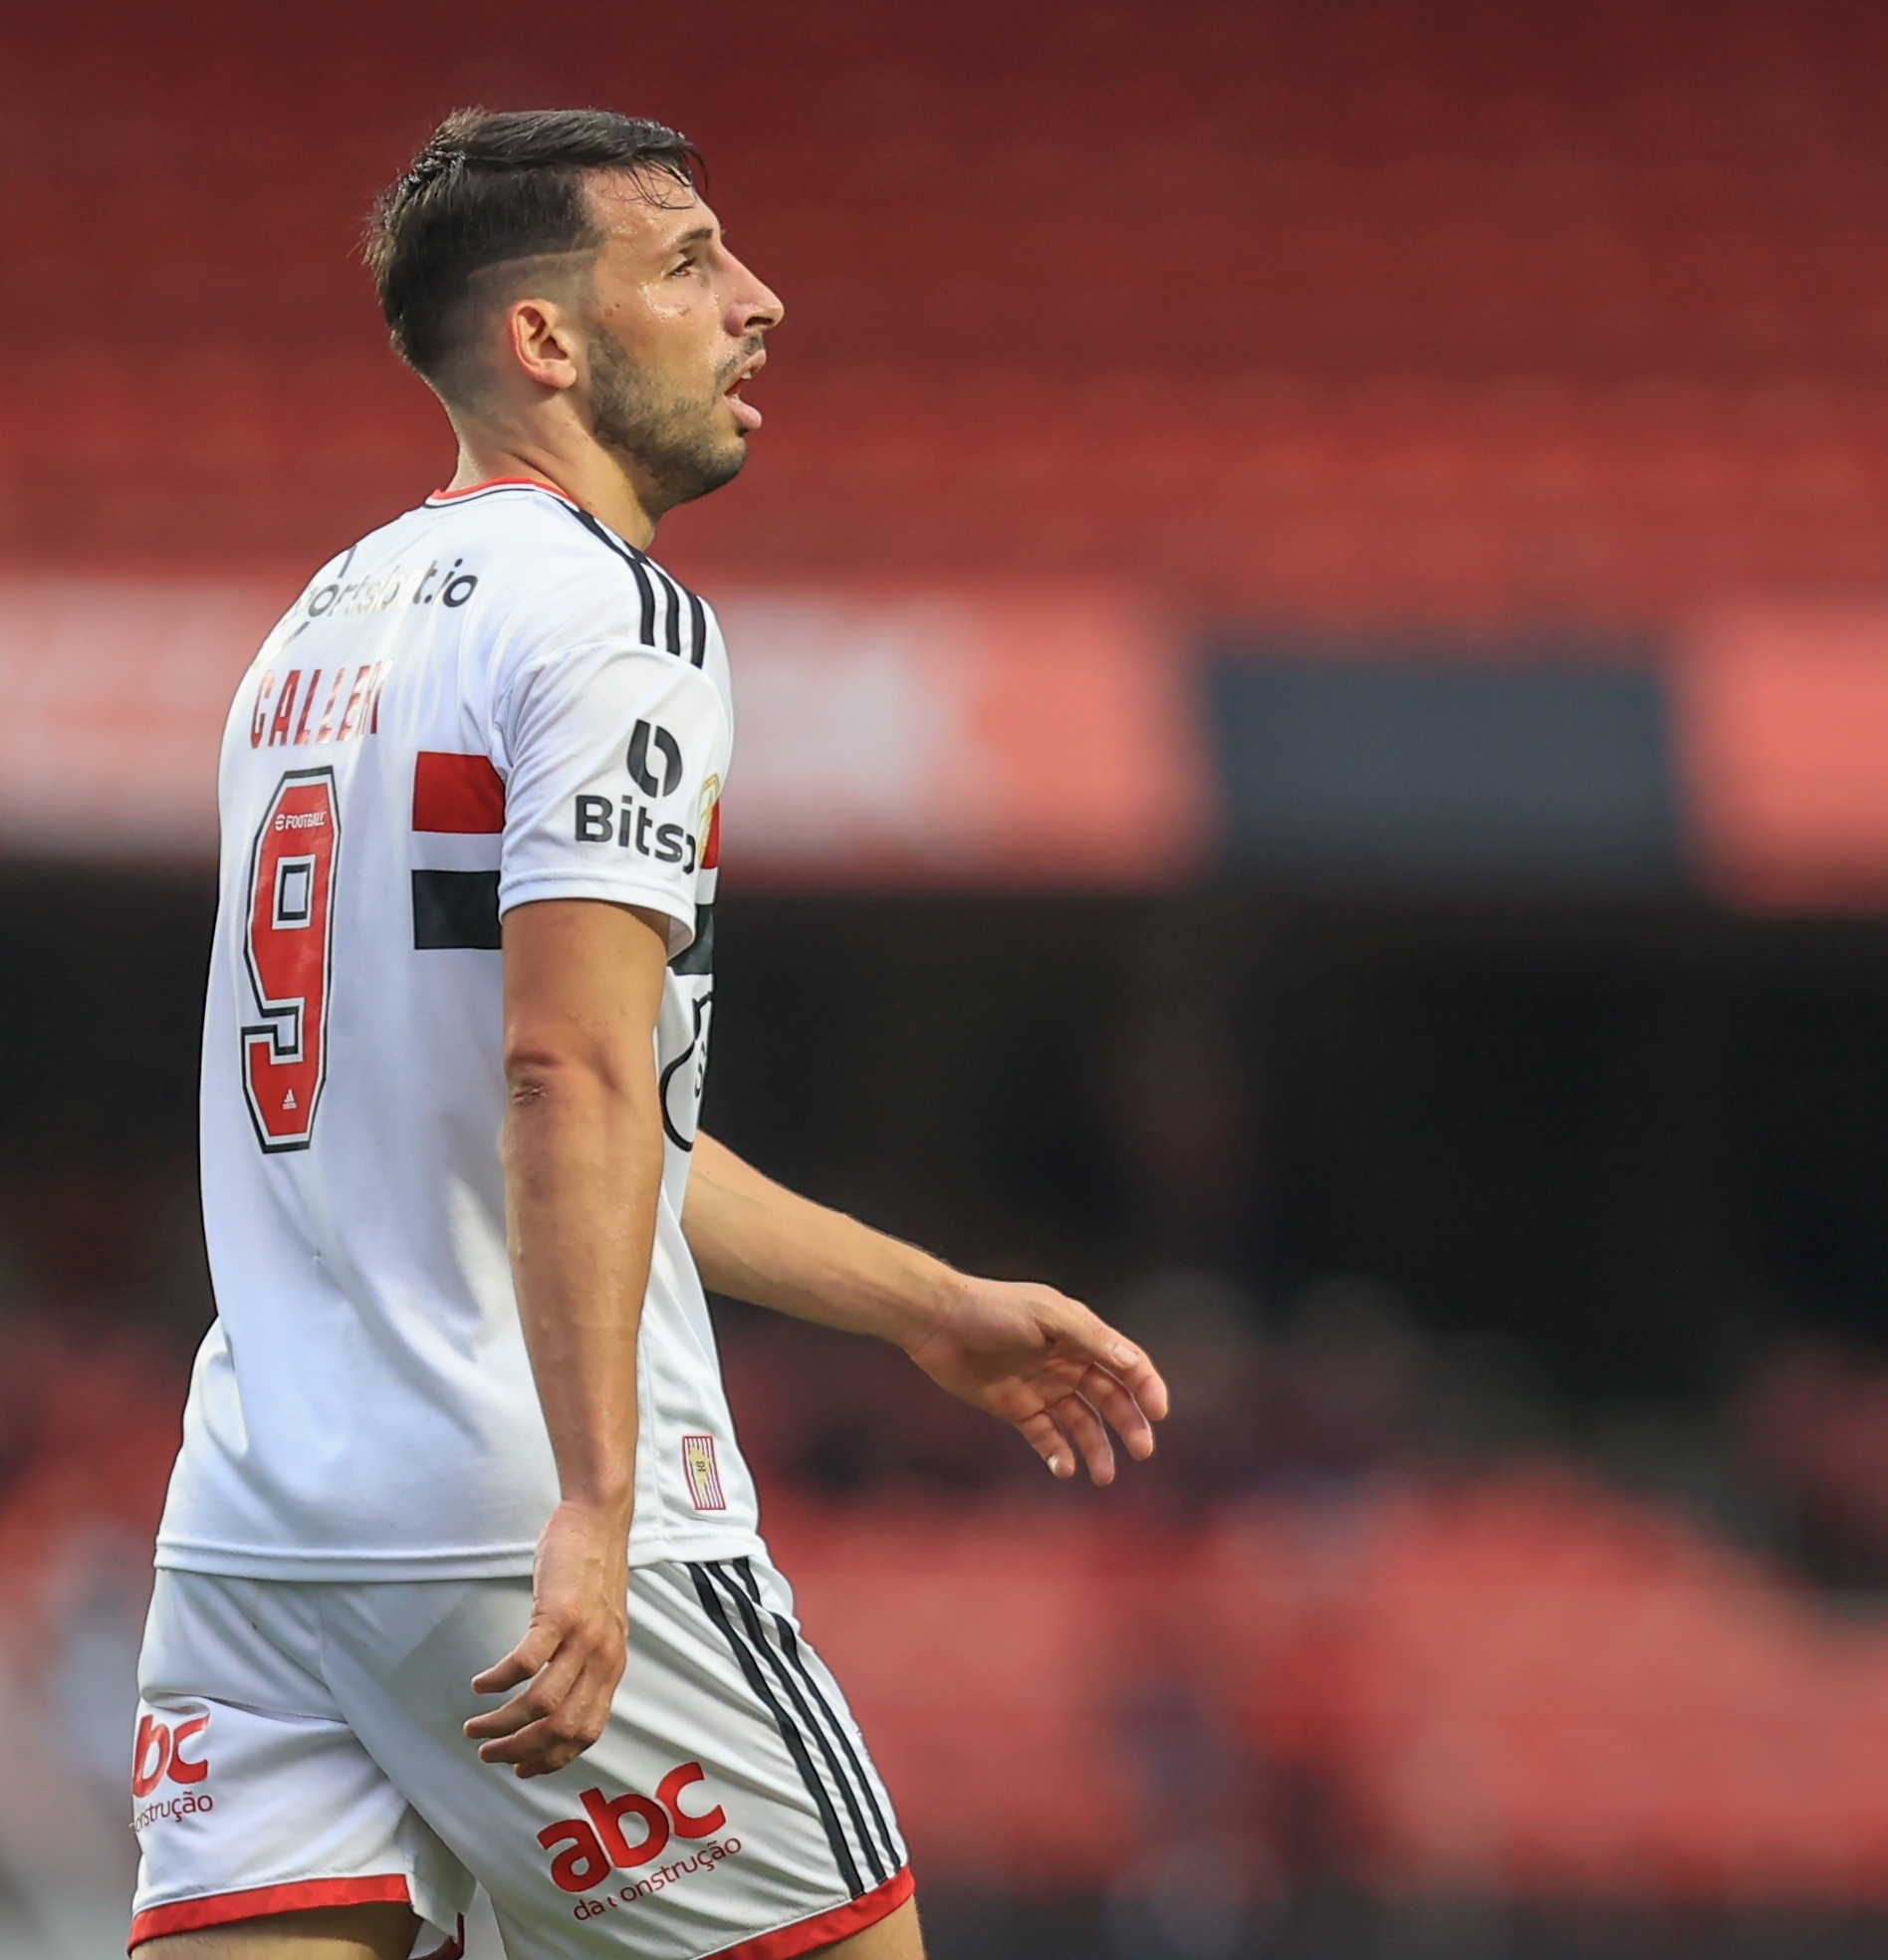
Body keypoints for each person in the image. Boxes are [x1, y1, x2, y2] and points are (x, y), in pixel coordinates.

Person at [129, 108, 1168, 1960]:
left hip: (261, 1534)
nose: (755, 305)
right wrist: (598, 1509)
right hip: (512, 1514)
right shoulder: (613, 622)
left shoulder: (313, 627)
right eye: (687, 265)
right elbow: (571, 1076)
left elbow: (585, 1128)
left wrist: (925, 1307)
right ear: (546, 341)